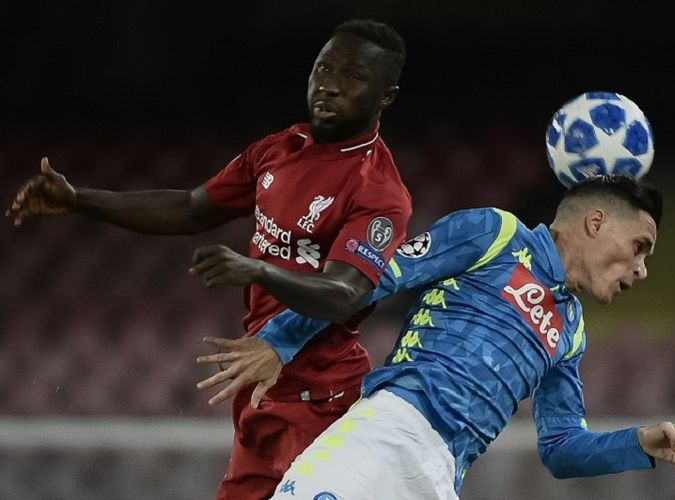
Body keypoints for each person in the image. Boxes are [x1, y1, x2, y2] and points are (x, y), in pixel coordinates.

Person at [6, 19, 412, 500]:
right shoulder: (279, 150)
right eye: (323, 68)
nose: (329, 85)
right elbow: (190, 208)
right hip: (261, 390)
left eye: (353, 76)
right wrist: (78, 199)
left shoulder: (378, 191)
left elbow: (345, 295)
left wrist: (260, 270)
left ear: (385, 96)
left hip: (319, 401)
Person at [195, 175, 675, 499]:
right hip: (389, 432)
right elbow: (374, 279)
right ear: (596, 222)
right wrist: (279, 341)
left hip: (442, 475)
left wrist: (638, 443)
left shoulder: (570, 332)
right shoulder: (495, 234)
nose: (640, 270)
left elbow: (561, 448)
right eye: (639, 247)